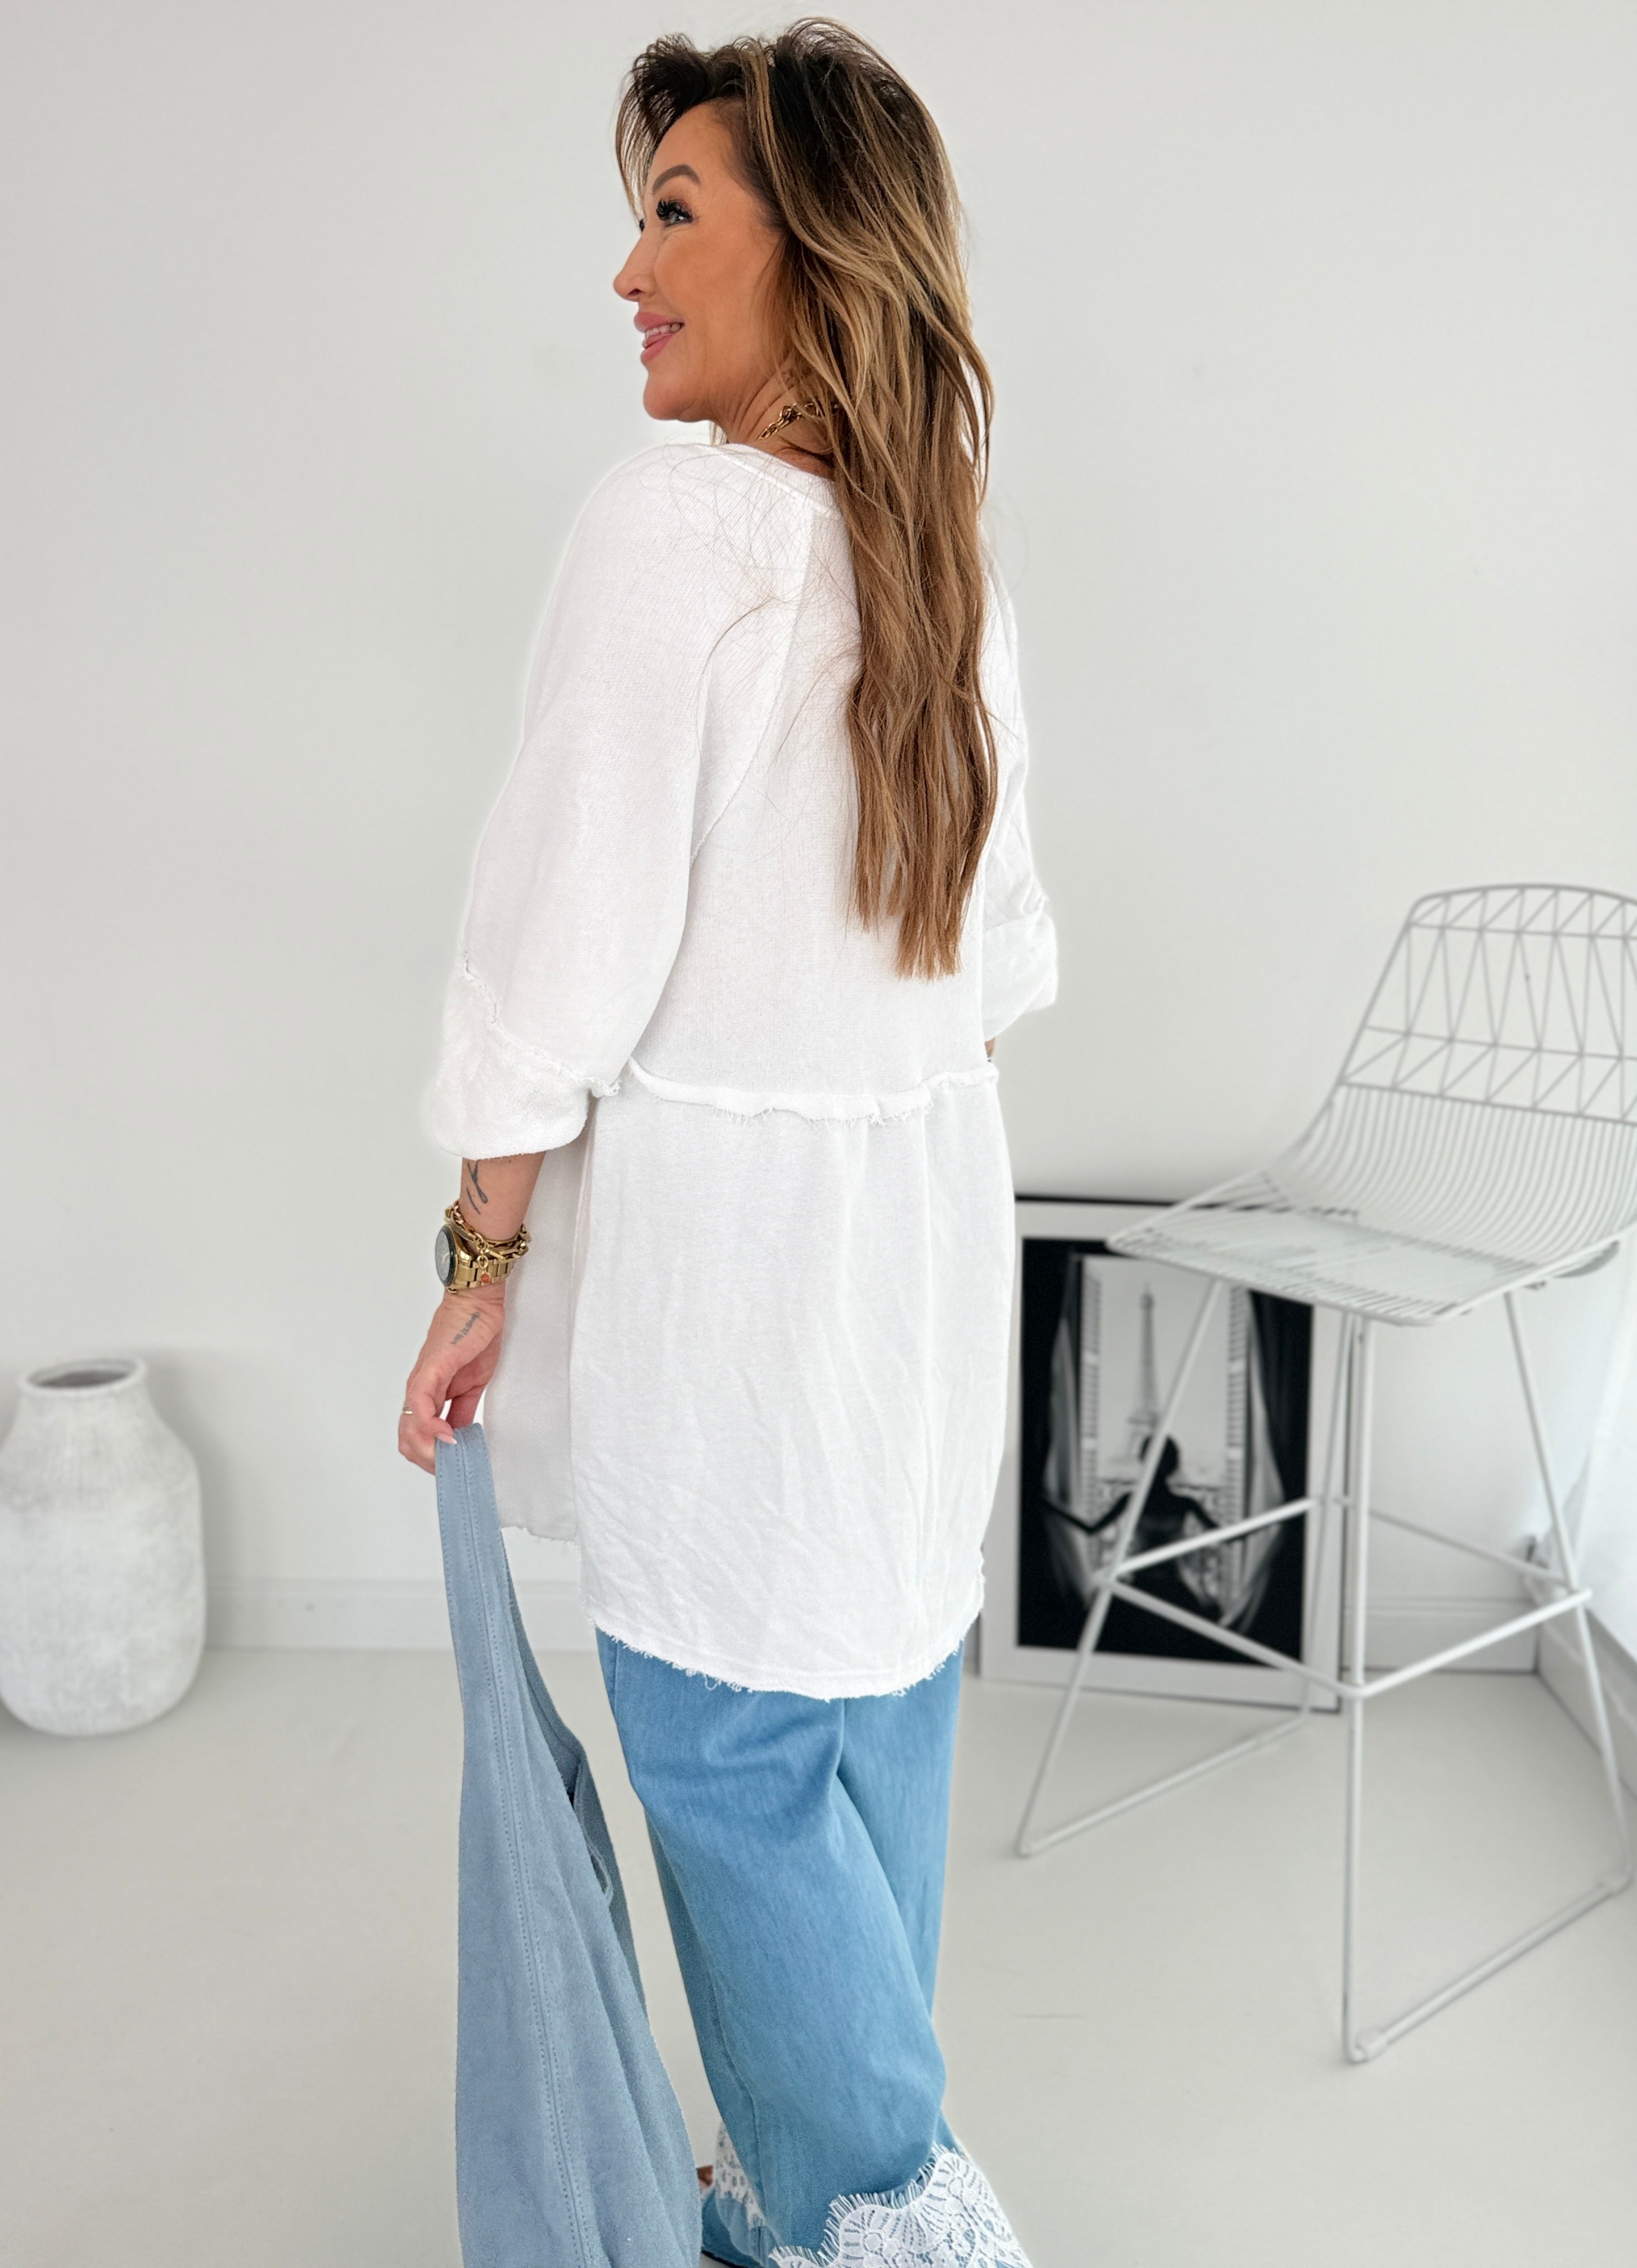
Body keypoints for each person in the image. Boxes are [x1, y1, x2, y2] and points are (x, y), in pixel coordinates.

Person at [400, 21, 1057, 2265]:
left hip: (738, 1290)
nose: (628, 272)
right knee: (870, 1738)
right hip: (918, 1265)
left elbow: (549, 963)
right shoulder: (937, 555)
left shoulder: (673, 530)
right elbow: (991, 967)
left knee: (722, 1751)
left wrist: (478, 1268)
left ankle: (894, 2222)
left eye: (674, 214)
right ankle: (811, 2198)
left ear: (813, 246)